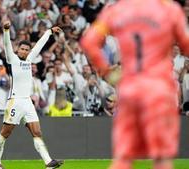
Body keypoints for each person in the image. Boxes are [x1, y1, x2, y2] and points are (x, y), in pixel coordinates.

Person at [80, 0, 189, 169]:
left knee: (123, 158)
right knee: (162, 159)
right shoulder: (169, 9)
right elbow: (186, 45)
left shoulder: (116, 10)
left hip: (129, 90)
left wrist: (108, 73)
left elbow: (89, 41)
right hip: (159, 90)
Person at [0, 20, 63, 169]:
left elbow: (39, 45)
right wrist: (6, 31)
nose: (24, 51)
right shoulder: (12, 59)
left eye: (26, 49)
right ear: (18, 50)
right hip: (15, 101)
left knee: (37, 132)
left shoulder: (30, 59)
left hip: (27, 102)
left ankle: (48, 162)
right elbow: (6, 45)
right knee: (5, 133)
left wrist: (49, 31)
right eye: (22, 49)